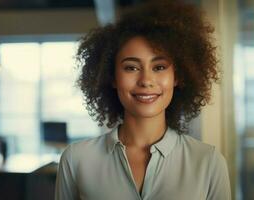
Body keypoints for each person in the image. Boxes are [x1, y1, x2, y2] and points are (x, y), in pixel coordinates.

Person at [55, 1, 231, 199]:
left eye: (159, 67)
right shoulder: (77, 159)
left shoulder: (208, 161)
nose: (146, 81)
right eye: (131, 67)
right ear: (112, 77)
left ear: (178, 76)